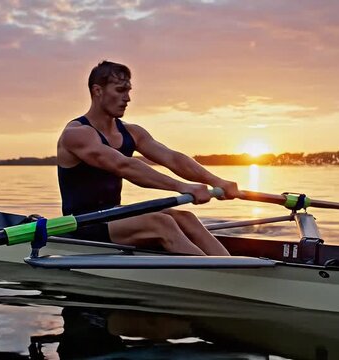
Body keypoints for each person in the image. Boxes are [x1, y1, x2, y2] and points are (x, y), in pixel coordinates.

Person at [57, 61, 241, 255]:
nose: (127, 98)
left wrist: (216, 181)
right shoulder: (77, 134)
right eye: (120, 90)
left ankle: (234, 270)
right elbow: (124, 166)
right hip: (80, 222)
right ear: (97, 91)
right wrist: (182, 186)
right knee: (161, 223)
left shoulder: (132, 132)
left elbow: (172, 158)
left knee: (187, 218)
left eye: (128, 91)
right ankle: (214, 279)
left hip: (114, 214)